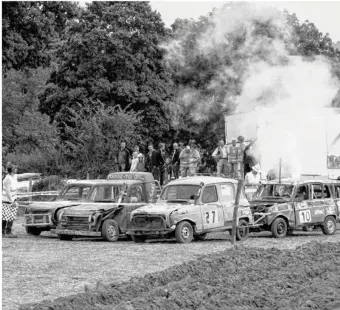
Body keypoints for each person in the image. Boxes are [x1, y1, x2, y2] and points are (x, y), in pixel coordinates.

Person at [2, 163, 19, 238]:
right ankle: (7, 232)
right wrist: (12, 201)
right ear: (12, 170)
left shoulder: (14, 176)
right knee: (9, 217)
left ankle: (3, 232)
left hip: (10, 200)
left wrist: (34, 174)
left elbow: (24, 175)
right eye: (15, 168)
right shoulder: (7, 179)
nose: (16, 169)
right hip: (8, 200)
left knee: (5, 216)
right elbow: (8, 192)